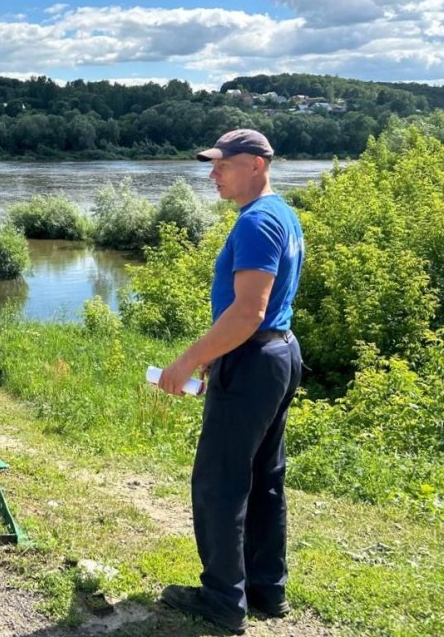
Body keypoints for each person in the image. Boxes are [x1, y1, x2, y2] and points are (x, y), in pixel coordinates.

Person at [156, 128, 304, 635]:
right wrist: (212, 355)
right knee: (264, 476)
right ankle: (266, 588)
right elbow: (259, 314)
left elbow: (247, 312)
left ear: (258, 165)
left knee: (220, 481)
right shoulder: (280, 213)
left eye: (223, 164)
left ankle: (222, 599)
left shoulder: (257, 222)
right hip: (277, 352)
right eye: (212, 164)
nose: (212, 173)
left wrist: (185, 360)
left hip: (253, 359)